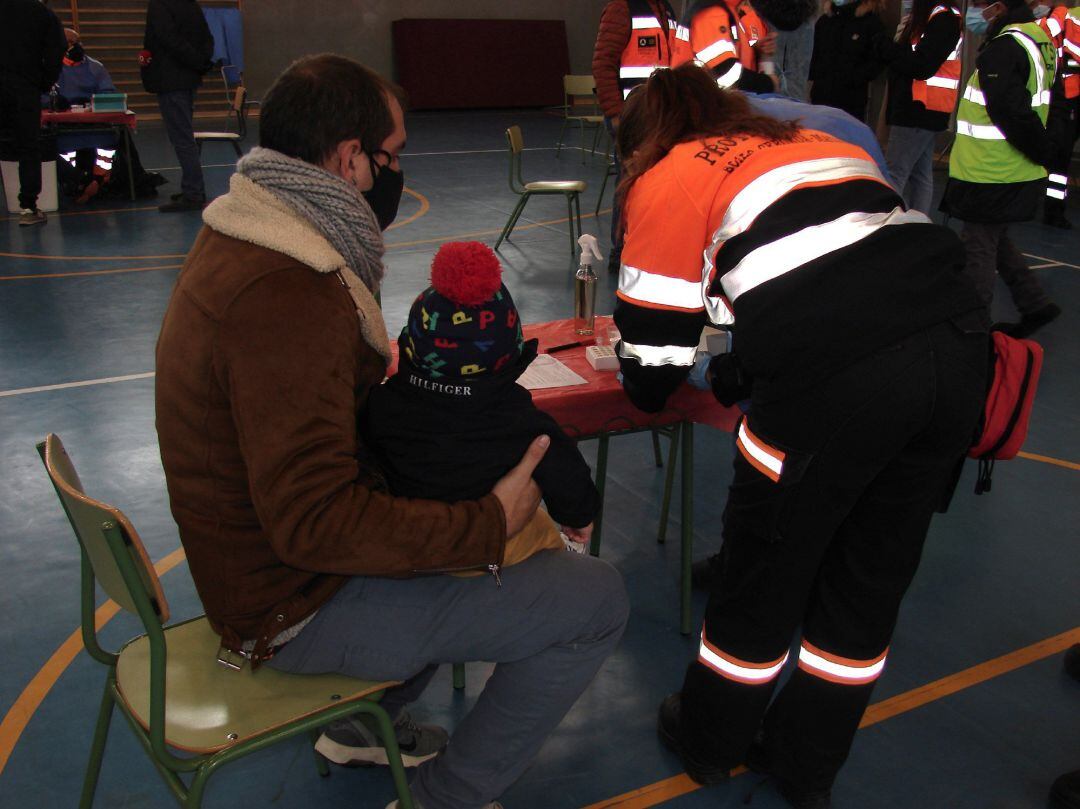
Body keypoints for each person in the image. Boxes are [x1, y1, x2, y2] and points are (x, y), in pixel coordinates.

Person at [154, 54, 628, 809]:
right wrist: (480, 526)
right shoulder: (288, 293)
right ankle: (443, 796)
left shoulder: (248, 237)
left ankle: (361, 727)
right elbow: (315, 521)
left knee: (428, 500)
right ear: (349, 160)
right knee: (594, 599)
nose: (397, 170)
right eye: (392, 156)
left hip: (258, 572)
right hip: (290, 606)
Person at [611, 64, 986, 808]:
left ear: (645, 140)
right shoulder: (805, 140)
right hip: (958, 351)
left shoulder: (670, 176)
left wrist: (658, 380)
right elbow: (832, 270)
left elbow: (652, 361)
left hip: (842, 380)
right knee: (869, 579)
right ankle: (806, 763)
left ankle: (711, 739)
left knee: (763, 567)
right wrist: (740, 369)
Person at [360, 240, 600, 568]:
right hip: (493, 551)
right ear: (509, 352)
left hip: (409, 549)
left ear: (412, 344)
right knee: (550, 541)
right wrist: (578, 518)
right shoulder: (521, 422)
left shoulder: (379, 406)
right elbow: (572, 484)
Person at [940, 0, 1064, 337]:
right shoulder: (1039, 41)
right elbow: (1050, 102)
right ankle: (1035, 303)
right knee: (997, 238)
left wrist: (1041, 150)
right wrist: (1044, 151)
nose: (978, 12)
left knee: (977, 245)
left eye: (982, 4)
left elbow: (1009, 110)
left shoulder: (1006, 47)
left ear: (1000, 6)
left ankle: (972, 327)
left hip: (991, 168)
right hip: (1013, 167)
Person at [592, 0, 691, 272]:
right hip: (632, 118)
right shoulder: (621, 8)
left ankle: (651, 245)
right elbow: (603, 64)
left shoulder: (666, 10)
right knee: (629, 184)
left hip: (662, 117)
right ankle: (621, 250)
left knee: (658, 186)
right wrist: (616, 115)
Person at [877, 0, 964, 215]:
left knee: (895, 172)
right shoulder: (932, 16)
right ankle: (917, 224)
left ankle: (886, 224)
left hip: (919, 108)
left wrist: (888, 50)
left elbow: (922, 66)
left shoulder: (944, 19)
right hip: (920, 106)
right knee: (919, 174)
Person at [140, 0, 213, 212]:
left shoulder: (160, 5)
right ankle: (192, 188)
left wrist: (193, 62)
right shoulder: (190, 4)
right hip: (187, 78)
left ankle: (193, 192)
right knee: (184, 136)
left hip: (172, 79)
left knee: (182, 138)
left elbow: (167, 38)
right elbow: (206, 38)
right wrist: (200, 63)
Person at [0, 0, 65, 226]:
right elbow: (57, 48)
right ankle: (28, 206)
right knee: (28, 146)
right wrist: (45, 82)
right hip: (24, 89)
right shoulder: (41, 13)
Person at [808, 0, 888, 122]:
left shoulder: (870, 23)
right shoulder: (825, 21)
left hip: (852, 103)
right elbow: (815, 57)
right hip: (821, 99)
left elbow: (877, 62)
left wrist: (854, 78)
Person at [1038, 2, 1079, 228]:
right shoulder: (1069, 16)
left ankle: (1054, 209)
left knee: (1060, 159)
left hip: (1066, 95)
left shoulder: (1063, 15)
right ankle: (1053, 211)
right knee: (1060, 158)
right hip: (1068, 96)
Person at [683, 0, 778, 92]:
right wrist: (768, 83)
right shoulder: (713, 11)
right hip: (702, 103)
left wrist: (758, 51)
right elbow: (724, 72)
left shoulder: (730, 12)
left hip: (721, 102)